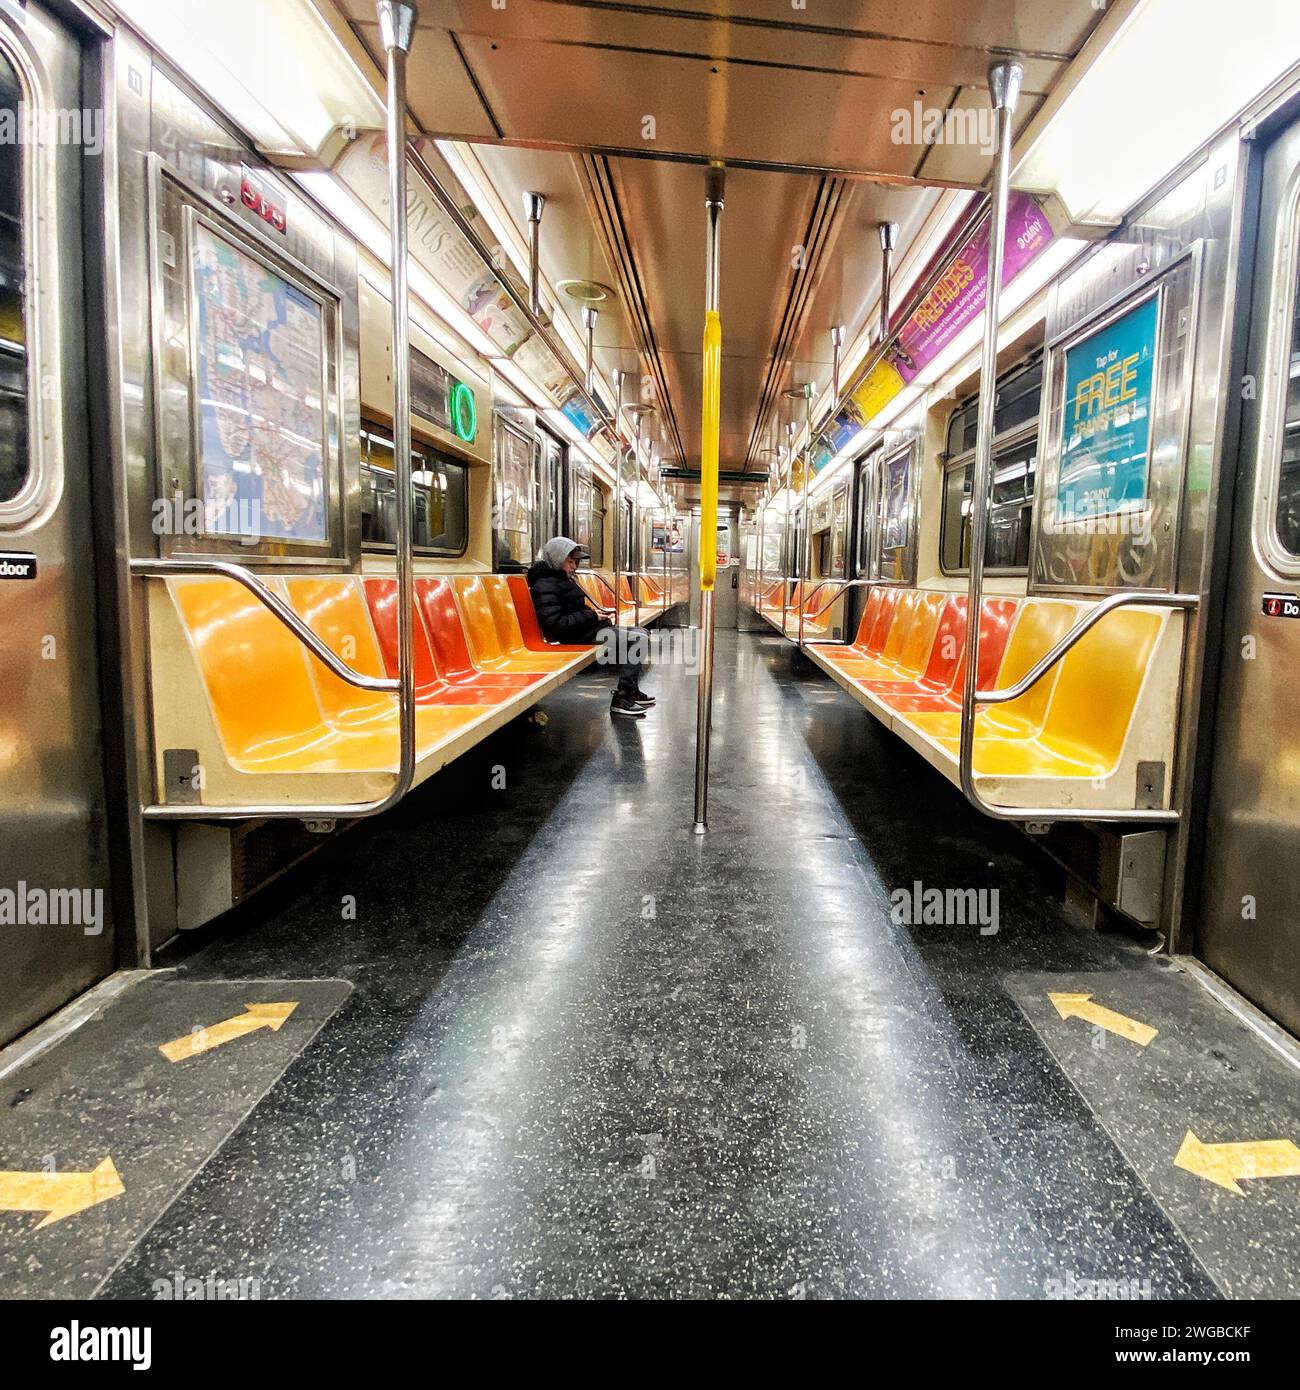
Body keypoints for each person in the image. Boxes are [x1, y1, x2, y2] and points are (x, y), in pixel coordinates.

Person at [527, 537, 655, 719]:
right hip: (574, 636)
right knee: (638, 639)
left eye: (576, 562)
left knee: (641, 632)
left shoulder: (562, 580)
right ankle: (622, 697)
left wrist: (596, 616)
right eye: (570, 562)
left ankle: (631, 690)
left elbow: (575, 610)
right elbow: (556, 625)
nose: (574, 567)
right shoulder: (545, 585)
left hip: (584, 629)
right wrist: (592, 616)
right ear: (556, 559)